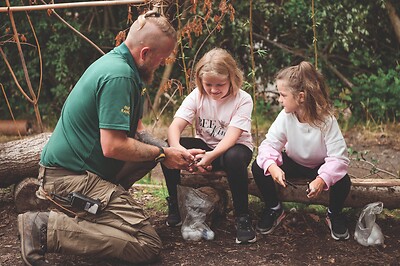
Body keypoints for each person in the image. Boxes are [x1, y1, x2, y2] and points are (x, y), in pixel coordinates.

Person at [17, 12, 204, 266]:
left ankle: (102, 212)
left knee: (149, 154)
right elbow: (113, 145)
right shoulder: (119, 76)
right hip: (69, 180)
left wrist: (169, 150)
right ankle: (44, 228)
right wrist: (162, 154)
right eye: (161, 59)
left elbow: (138, 130)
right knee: (147, 245)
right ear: (145, 53)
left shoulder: (124, 68)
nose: (161, 64)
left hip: (81, 172)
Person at [161, 48, 256, 244]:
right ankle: (175, 204)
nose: (213, 90)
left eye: (220, 84)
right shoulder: (197, 95)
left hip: (233, 149)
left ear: (232, 77)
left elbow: (232, 137)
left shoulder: (243, 99)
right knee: (166, 149)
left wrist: (211, 157)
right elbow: (175, 126)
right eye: (208, 84)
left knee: (234, 157)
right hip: (206, 147)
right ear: (200, 81)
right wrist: (178, 149)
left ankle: (242, 216)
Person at [251, 61, 351, 241]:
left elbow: (339, 158)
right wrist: (272, 166)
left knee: (343, 180)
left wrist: (322, 179)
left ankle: (333, 213)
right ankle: (274, 208)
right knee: (258, 167)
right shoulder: (286, 116)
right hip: (294, 162)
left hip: (319, 166)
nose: (280, 100)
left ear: (301, 97)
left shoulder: (326, 120)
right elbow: (269, 145)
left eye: (283, 95)